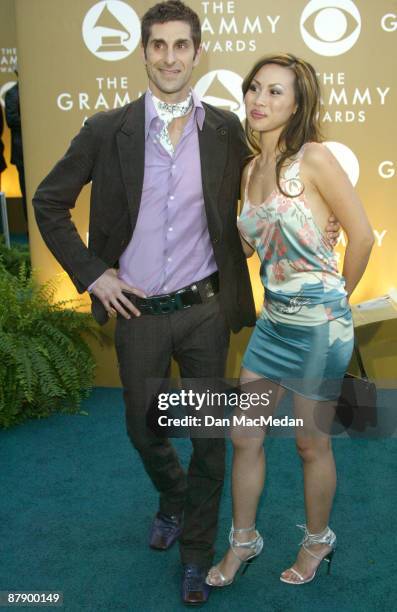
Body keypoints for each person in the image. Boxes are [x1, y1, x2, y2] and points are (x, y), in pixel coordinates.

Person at [33, 3, 338, 602]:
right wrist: (95, 275)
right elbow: (47, 203)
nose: (170, 57)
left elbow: (268, 194)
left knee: (206, 437)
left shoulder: (225, 129)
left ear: (198, 53)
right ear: (144, 52)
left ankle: (198, 552)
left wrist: (314, 232)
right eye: (159, 46)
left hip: (204, 311)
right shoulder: (106, 129)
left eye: (181, 46)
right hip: (136, 312)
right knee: (144, 430)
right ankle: (171, 497)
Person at [206, 53, 374, 589]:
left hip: (320, 327)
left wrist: (335, 300)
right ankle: (244, 541)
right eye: (255, 88)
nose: (260, 100)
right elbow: (259, 249)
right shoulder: (251, 169)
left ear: (299, 102)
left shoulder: (315, 158)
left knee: (309, 444)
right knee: (245, 435)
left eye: (276, 92)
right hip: (272, 324)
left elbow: (363, 236)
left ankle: (318, 539)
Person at [5, 74, 27, 223]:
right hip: (22, 152)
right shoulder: (13, 93)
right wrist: (33, 120)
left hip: (40, 153)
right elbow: (11, 120)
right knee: (26, 193)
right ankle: (29, 231)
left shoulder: (40, 90)